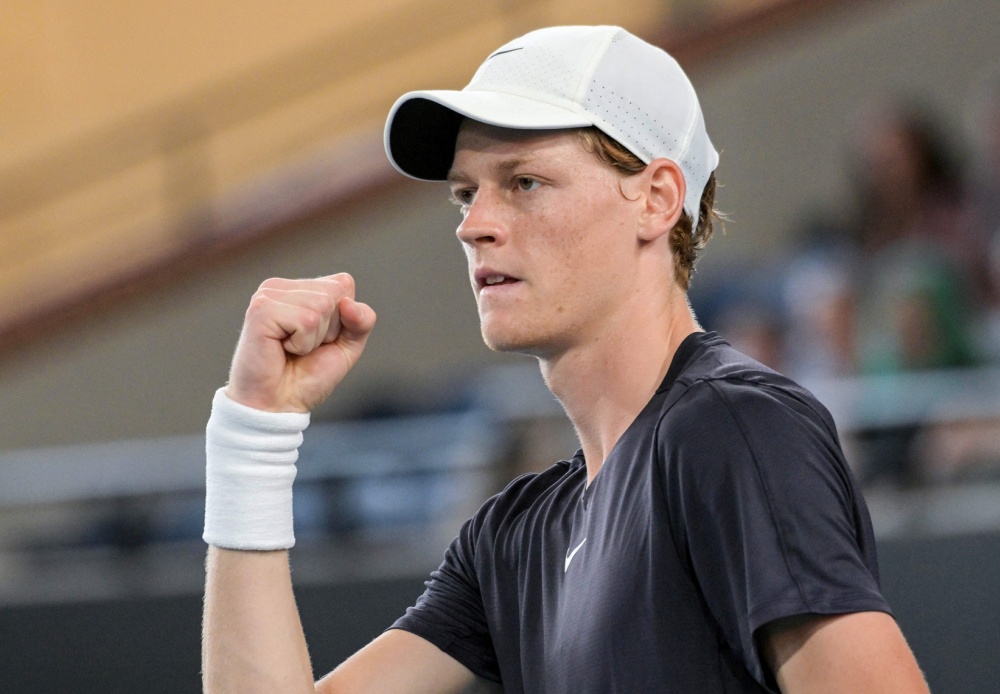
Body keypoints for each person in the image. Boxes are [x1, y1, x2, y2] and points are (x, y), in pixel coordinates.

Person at [200, 25, 929, 693]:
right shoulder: (511, 537)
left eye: (524, 182)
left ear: (656, 199)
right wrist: (254, 432)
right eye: (465, 194)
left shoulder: (733, 428)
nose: (474, 226)